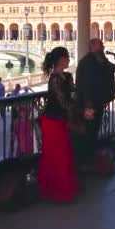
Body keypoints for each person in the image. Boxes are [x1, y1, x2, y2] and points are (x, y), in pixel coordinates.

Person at [75, 39, 115, 166]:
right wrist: (88, 105)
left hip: (98, 103)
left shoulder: (100, 60)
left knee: (93, 131)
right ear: (93, 46)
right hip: (89, 105)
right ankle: (85, 160)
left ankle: (90, 159)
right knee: (88, 132)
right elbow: (85, 85)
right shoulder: (87, 62)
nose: (103, 46)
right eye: (101, 45)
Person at [38, 47, 83, 203]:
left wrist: (82, 107)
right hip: (51, 121)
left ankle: (63, 190)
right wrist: (82, 111)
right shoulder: (55, 79)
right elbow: (63, 102)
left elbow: (73, 96)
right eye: (66, 57)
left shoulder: (67, 77)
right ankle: (56, 192)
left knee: (64, 154)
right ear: (60, 60)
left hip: (60, 120)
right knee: (56, 156)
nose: (69, 59)